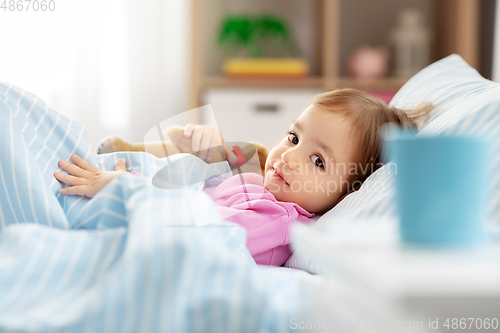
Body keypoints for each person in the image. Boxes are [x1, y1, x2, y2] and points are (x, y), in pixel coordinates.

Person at [54, 88, 431, 266]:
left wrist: (125, 189)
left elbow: (197, 234)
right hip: (135, 201)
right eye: (294, 137)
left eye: (318, 160)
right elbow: (192, 189)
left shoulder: (280, 220)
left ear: (349, 192)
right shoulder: (260, 184)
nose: (289, 157)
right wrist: (200, 154)